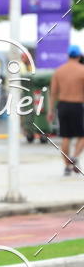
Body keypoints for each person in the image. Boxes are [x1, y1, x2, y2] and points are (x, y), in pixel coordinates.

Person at [48, 44, 84, 175]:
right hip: (78, 105)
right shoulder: (82, 70)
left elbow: (53, 93)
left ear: (68, 56)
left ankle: (67, 166)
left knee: (65, 137)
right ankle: (75, 157)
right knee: (82, 135)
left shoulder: (59, 71)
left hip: (62, 105)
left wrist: (51, 110)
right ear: (79, 56)